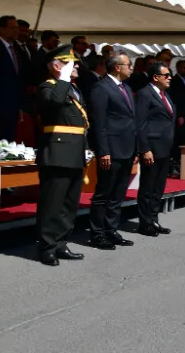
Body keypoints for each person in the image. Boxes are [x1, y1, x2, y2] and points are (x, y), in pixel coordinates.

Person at [35, 44, 88, 266]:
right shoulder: (47, 87)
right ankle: (47, 247)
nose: (76, 66)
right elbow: (55, 103)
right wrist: (64, 78)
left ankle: (61, 243)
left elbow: (81, 122)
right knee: (52, 204)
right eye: (70, 63)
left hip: (75, 151)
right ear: (57, 66)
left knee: (69, 204)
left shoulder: (74, 89)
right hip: (56, 153)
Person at [88, 50, 138, 249]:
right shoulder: (101, 88)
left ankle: (111, 229)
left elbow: (130, 120)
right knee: (104, 192)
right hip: (111, 149)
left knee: (118, 193)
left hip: (127, 148)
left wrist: (135, 148)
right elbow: (99, 122)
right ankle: (97, 233)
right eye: (128, 65)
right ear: (117, 67)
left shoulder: (126, 87)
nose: (131, 68)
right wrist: (103, 150)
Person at [135, 62, 175, 237]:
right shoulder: (145, 94)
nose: (169, 78)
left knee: (158, 187)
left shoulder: (165, 95)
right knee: (148, 187)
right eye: (166, 75)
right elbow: (140, 123)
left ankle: (154, 219)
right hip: (152, 147)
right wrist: (144, 148)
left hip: (165, 147)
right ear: (155, 77)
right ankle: (145, 223)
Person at [0, 15, 28, 148]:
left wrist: (19, 106)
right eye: (13, 28)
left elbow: (17, 80)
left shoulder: (17, 50)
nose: (16, 31)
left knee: (8, 142)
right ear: (2, 29)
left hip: (12, 105)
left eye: (17, 28)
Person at [169, 59, 185, 161]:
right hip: (180, 116)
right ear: (178, 68)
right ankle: (176, 161)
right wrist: (179, 115)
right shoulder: (174, 81)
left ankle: (183, 161)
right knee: (178, 139)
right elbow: (175, 99)